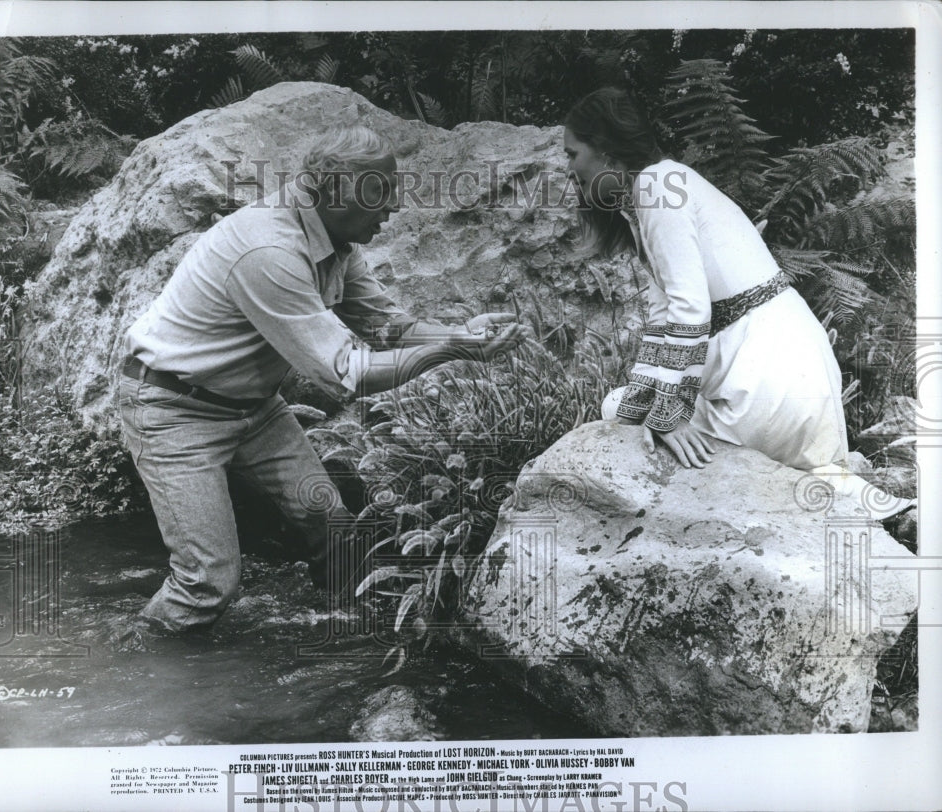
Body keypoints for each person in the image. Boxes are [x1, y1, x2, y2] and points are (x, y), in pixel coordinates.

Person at [117, 124, 526, 633]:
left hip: (253, 407)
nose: (394, 206)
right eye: (381, 192)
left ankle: (347, 637)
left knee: (333, 530)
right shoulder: (268, 251)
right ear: (331, 191)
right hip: (173, 409)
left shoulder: (336, 238)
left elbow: (385, 326)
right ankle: (131, 662)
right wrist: (450, 351)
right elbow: (349, 375)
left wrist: (459, 332)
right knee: (207, 583)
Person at [563, 87, 910, 518]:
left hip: (768, 387)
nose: (568, 168)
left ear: (606, 149)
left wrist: (667, 414)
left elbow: (690, 313)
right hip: (799, 383)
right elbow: (663, 318)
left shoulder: (657, 187)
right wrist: (649, 408)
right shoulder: (659, 186)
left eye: (572, 154)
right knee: (627, 413)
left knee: (618, 411)